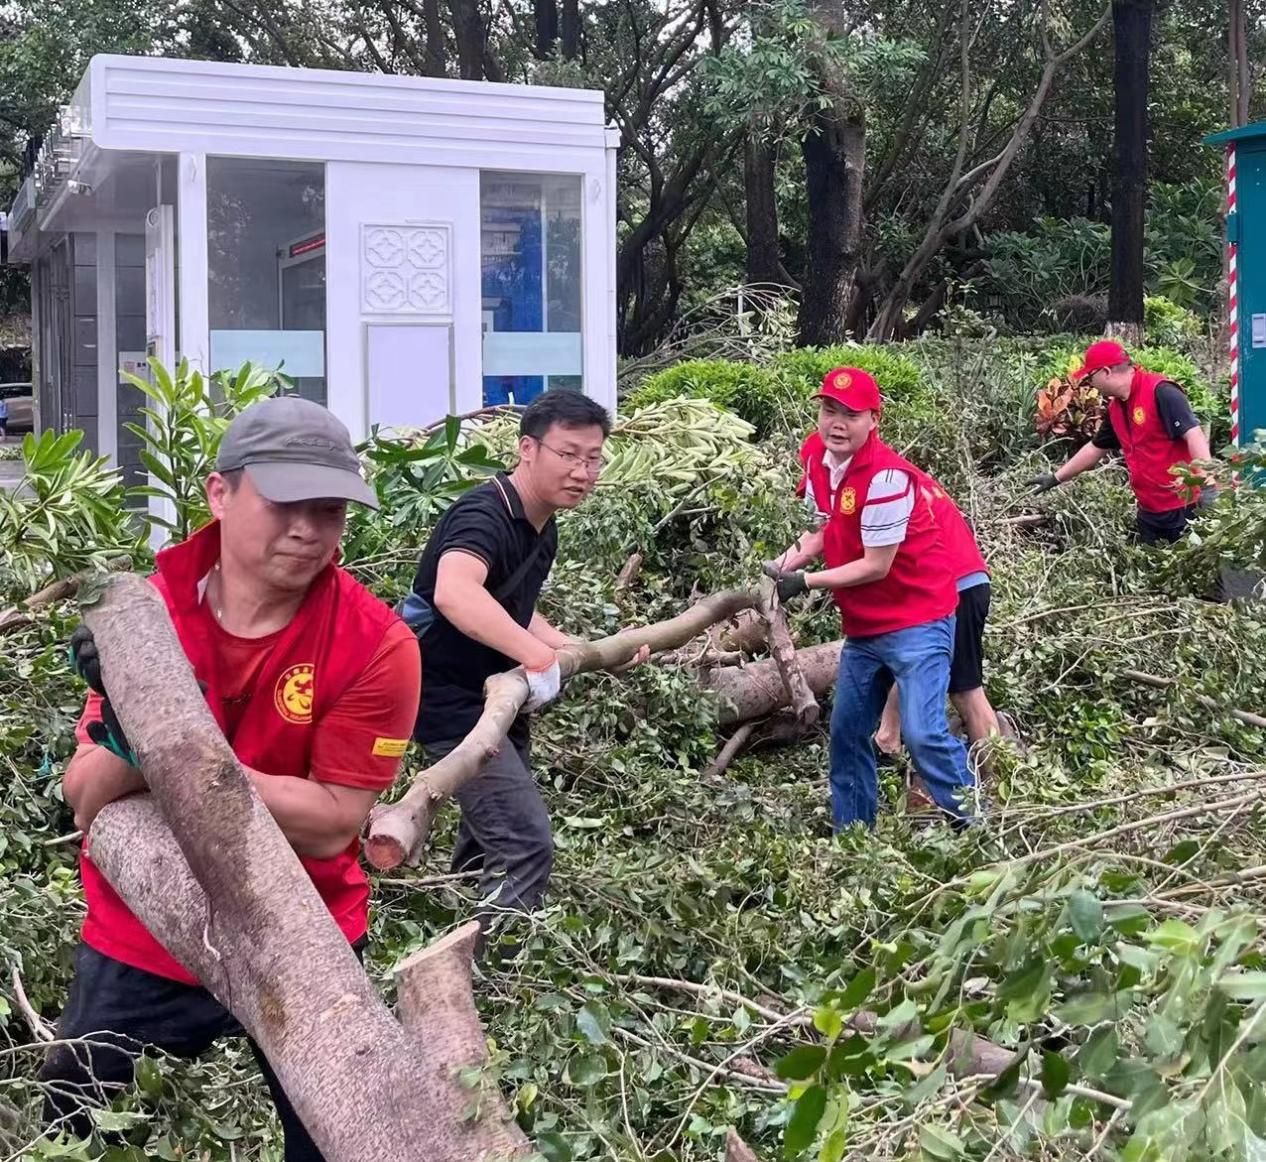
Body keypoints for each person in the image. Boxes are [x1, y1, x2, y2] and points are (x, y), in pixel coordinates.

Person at [44, 397, 421, 1160]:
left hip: (301, 931)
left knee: (341, 1141)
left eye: (330, 510)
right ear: (221, 493)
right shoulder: (150, 612)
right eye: (286, 503)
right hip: (143, 930)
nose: (310, 530)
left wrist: (186, 752)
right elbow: (84, 796)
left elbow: (333, 819)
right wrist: (132, 719)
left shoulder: (377, 644)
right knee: (72, 1129)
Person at [403, 390, 646, 945]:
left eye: (593, 458)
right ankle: (490, 978)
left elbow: (513, 606)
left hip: (495, 696)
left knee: (487, 838)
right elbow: (456, 593)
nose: (583, 470)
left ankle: (454, 947)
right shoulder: (485, 513)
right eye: (569, 454)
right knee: (523, 844)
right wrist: (538, 658)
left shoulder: (542, 523)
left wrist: (579, 648)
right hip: (451, 699)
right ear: (527, 449)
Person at [768, 368, 974, 829]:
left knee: (923, 734)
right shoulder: (817, 460)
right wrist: (780, 567)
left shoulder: (887, 479)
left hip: (918, 621)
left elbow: (875, 565)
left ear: (873, 420)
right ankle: (854, 838)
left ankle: (975, 827)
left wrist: (806, 583)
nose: (836, 423)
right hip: (864, 629)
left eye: (851, 414)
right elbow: (819, 531)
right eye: (828, 411)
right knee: (847, 736)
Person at [1029, 340, 1214, 543]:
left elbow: (1194, 435)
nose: (1090, 384)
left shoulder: (1161, 392)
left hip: (1184, 507)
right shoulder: (1117, 408)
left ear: (1106, 372)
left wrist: (1209, 486)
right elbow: (1095, 448)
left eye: (1091, 377)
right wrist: (1056, 478)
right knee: (1151, 568)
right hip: (1150, 511)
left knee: (1192, 570)